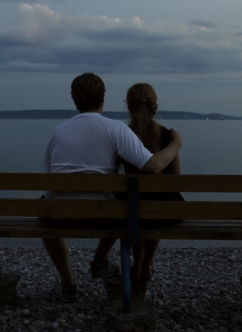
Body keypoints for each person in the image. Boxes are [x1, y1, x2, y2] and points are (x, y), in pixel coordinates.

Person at [42, 73, 182, 302]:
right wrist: (177, 142)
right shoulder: (115, 129)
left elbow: (47, 180)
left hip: (60, 216)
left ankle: (68, 284)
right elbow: (153, 166)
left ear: (73, 98)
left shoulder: (57, 132)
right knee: (125, 207)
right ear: (103, 97)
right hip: (103, 216)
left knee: (43, 210)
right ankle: (102, 263)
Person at [119, 83, 183, 283]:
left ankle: (137, 264)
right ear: (154, 104)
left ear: (129, 106)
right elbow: (176, 181)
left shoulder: (122, 134)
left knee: (136, 205)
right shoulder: (168, 136)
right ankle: (147, 263)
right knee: (159, 200)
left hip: (129, 212)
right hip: (163, 212)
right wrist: (176, 143)